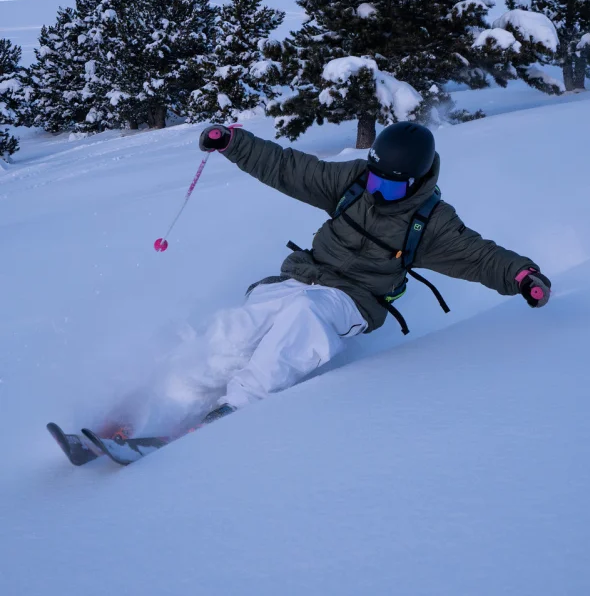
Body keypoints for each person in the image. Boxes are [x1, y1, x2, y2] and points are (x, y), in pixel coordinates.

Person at [187, 121, 551, 423]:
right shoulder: (356, 181)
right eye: (374, 180)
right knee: (246, 321)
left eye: (389, 186)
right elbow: (289, 169)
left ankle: (237, 409)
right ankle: (181, 393)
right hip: (305, 275)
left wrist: (522, 276)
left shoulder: (432, 221)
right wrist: (234, 143)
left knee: (306, 315)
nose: (375, 191)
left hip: (355, 298)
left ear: (416, 181)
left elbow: (479, 257)